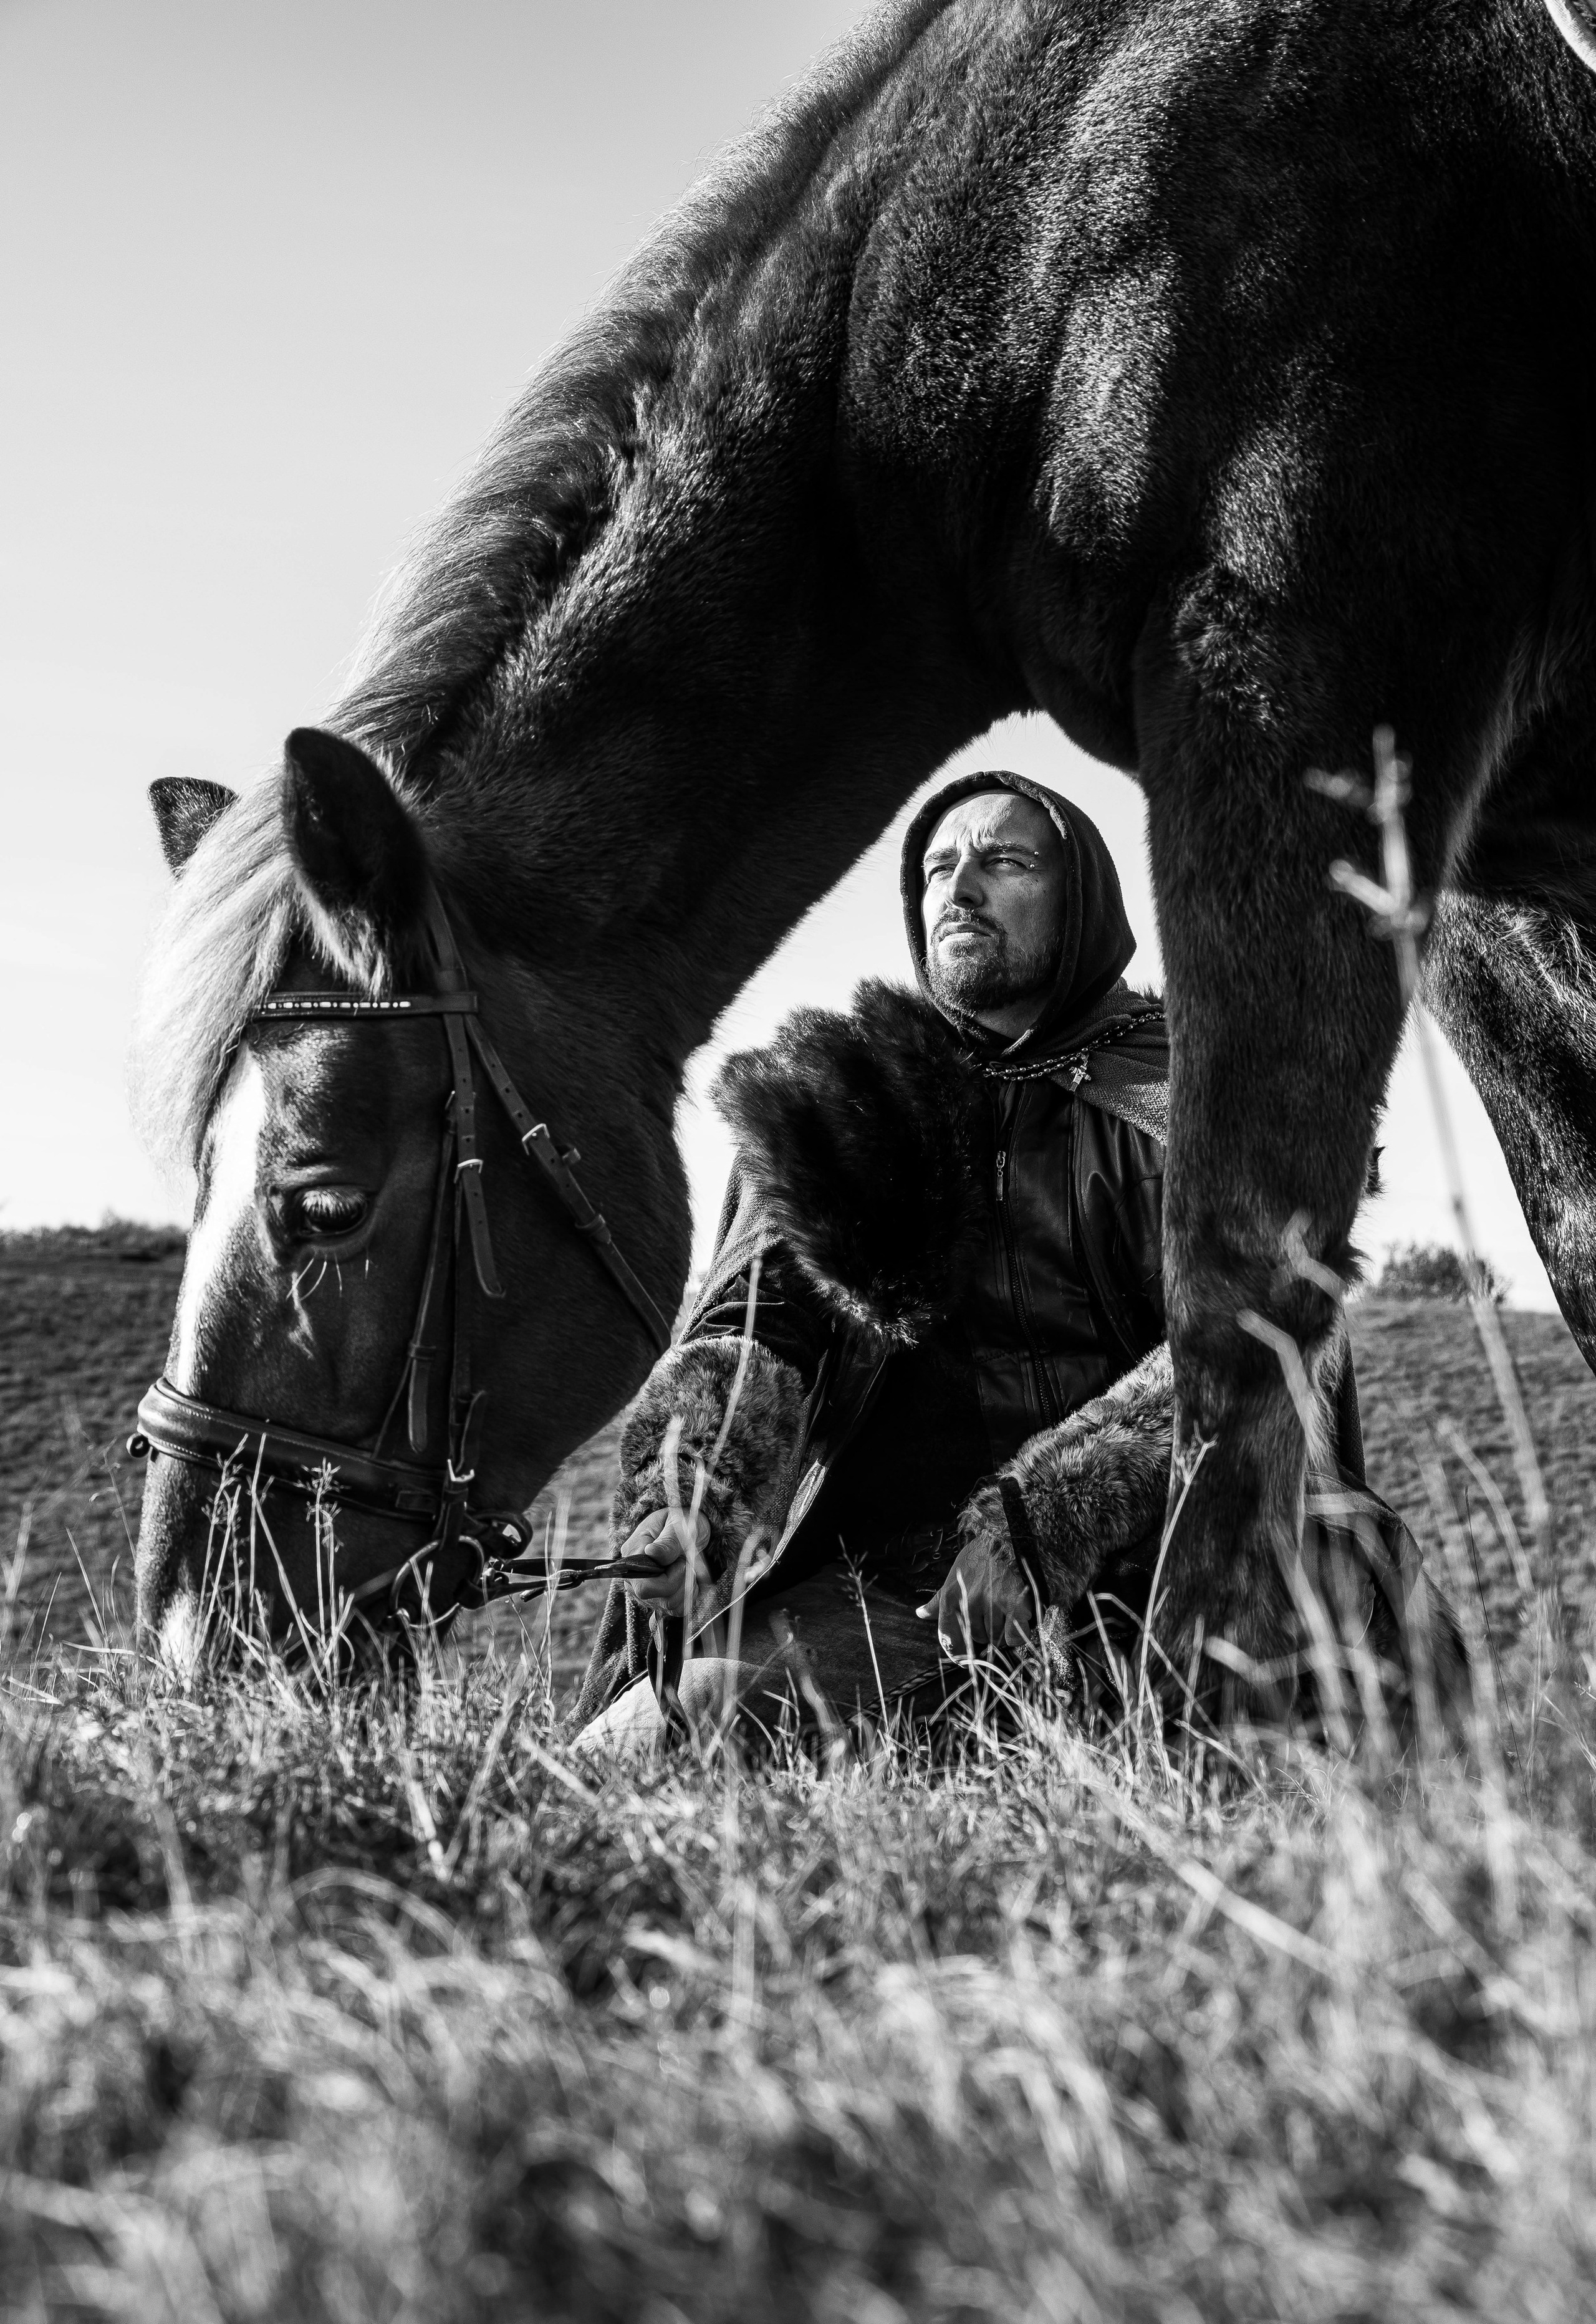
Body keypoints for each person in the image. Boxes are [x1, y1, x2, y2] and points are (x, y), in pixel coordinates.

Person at [572, 772, 1372, 1749]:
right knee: (657, 1734)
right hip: (894, 1585)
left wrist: (1041, 1525)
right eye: (939, 868)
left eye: (1003, 861)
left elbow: (1255, 1344)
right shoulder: (855, 1105)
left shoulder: (1200, 1090)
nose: (959, 889)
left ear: (1079, 899)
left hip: (1172, 1567)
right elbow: (755, 1329)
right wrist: (693, 1497)